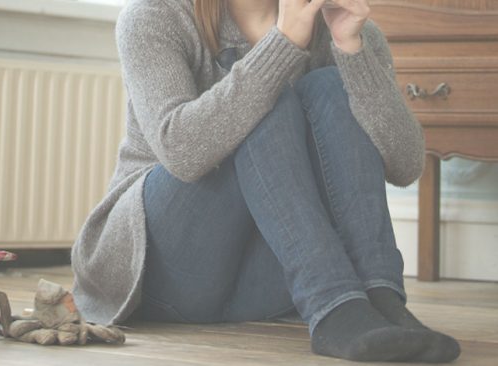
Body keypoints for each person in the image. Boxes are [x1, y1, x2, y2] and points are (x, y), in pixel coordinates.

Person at [71, 0, 461, 362]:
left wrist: (351, 47)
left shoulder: (343, 25)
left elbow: (406, 165)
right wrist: (282, 44)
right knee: (268, 101)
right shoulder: (155, 15)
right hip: (159, 270)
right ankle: (335, 307)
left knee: (331, 86)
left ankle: (381, 299)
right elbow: (181, 153)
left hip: (263, 277)